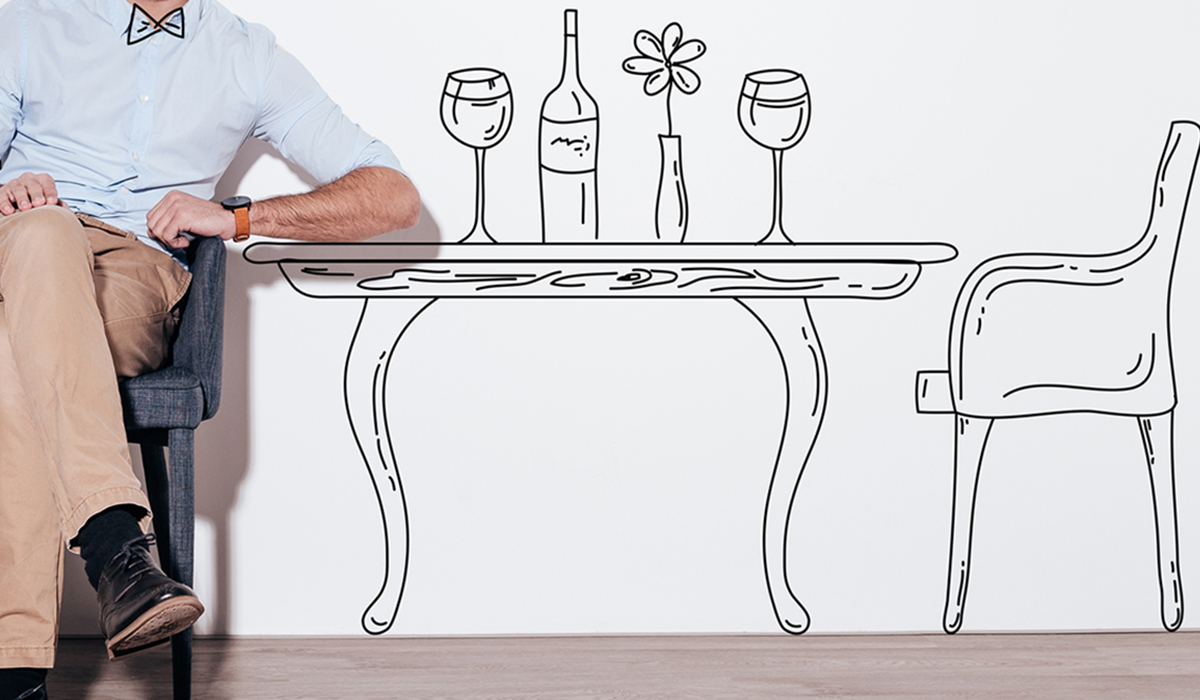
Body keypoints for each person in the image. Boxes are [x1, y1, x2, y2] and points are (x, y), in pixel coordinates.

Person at [0, 0, 420, 696]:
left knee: (13, 357)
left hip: (128, 273)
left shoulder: (245, 54)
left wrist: (238, 217)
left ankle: (15, 673)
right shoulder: (27, 22)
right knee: (42, 233)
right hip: (15, 244)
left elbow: (393, 196)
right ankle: (116, 551)